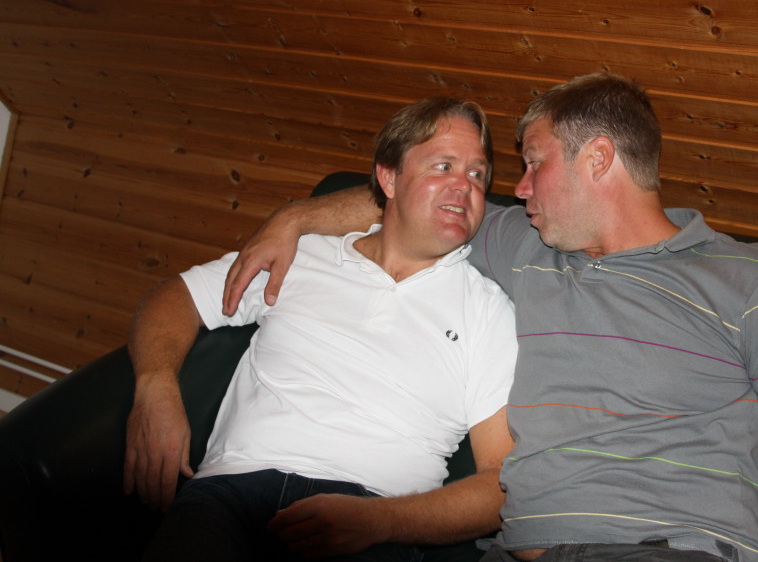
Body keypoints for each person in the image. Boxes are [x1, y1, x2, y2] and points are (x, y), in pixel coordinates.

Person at [222, 73, 758, 562]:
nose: (519, 187)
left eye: (533, 162)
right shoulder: (524, 245)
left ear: (598, 159)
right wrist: (293, 219)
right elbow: (410, 202)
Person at [123, 97, 519, 561]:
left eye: (477, 174)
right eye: (444, 166)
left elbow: (501, 485)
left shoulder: (488, 310)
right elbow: (176, 297)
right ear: (389, 178)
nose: (464, 186)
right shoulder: (300, 256)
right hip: (230, 495)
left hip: (372, 519)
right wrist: (155, 386)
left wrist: (380, 521)